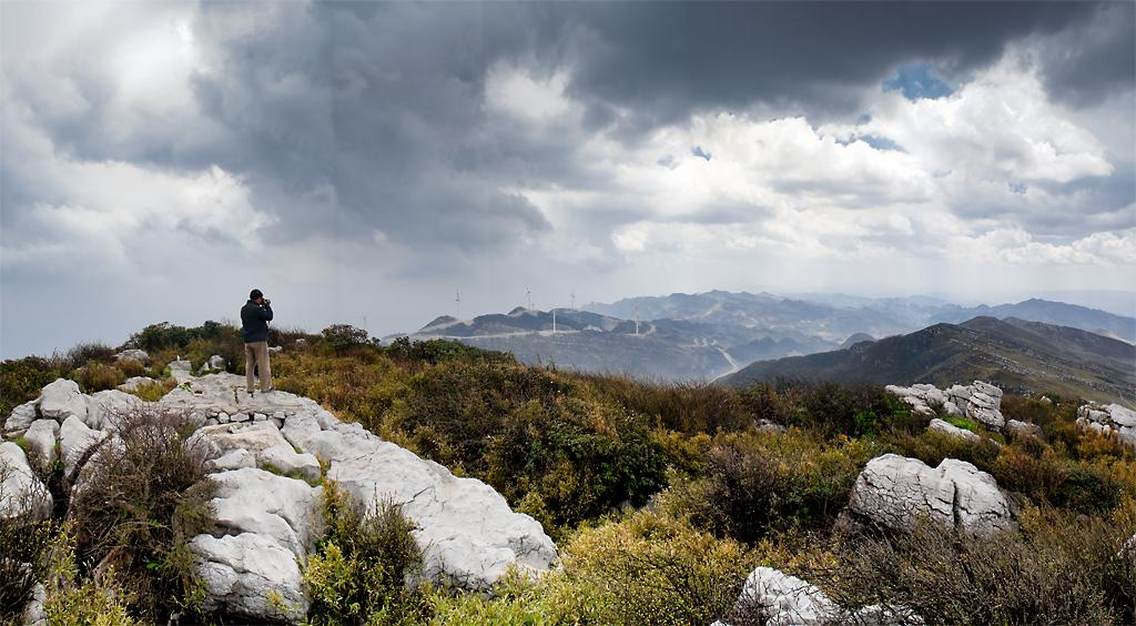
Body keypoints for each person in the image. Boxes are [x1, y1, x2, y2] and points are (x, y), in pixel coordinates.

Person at [241, 289, 274, 395]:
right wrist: (267, 306)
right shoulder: (257, 309)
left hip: (247, 340)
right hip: (259, 340)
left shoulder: (244, 309)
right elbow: (269, 316)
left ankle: (250, 388)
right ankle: (265, 387)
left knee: (249, 365)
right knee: (263, 364)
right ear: (259, 298)